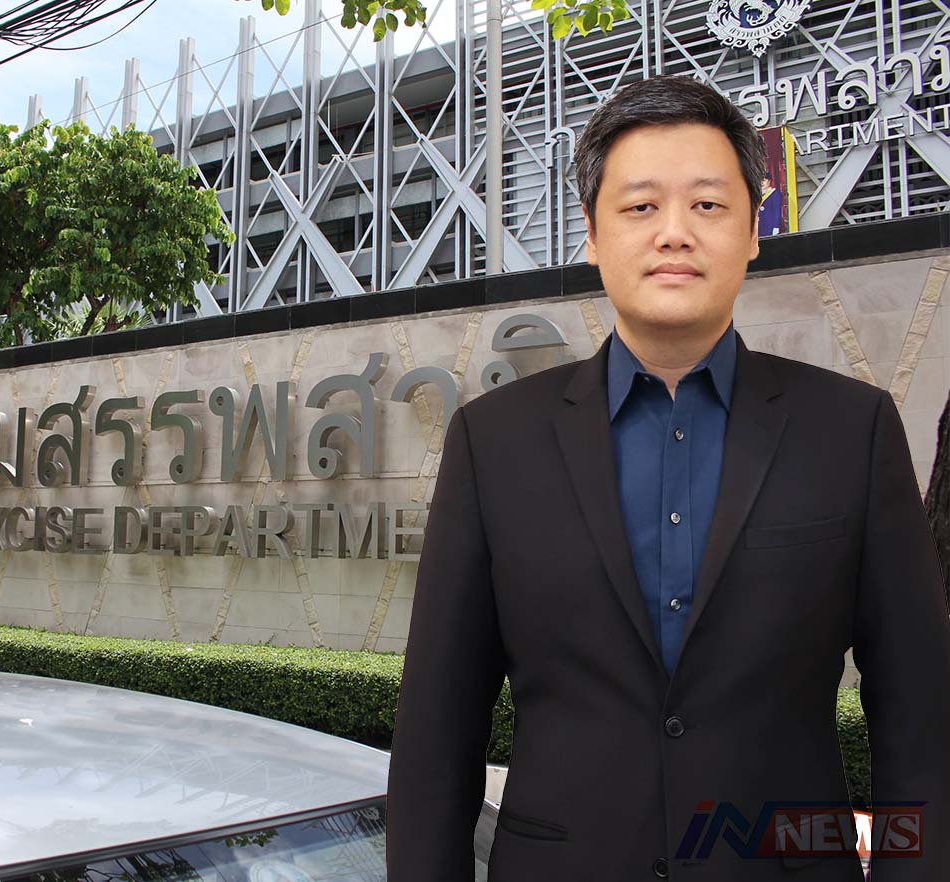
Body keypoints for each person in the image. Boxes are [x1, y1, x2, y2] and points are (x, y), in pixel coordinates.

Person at [386, 74, 950, 881]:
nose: (675, 233)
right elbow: (438, 729)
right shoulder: (494, 441)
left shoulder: (851, 430)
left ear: (753, 231)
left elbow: (920, 723)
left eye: (708, 205)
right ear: (592, 233)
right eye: (642, 206)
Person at [758, 172, 783, 236]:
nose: (761, 183)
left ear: (769, 181)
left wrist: (776, 227)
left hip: (770, 228)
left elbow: (777, 212)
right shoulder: (757, 195)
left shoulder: (775, 194)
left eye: (764, 180)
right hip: (759, 228)